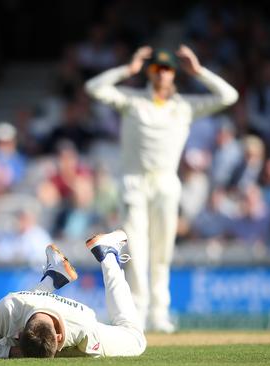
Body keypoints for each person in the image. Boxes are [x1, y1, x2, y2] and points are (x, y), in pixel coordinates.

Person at [85, 45, 238, 332]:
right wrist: (127, 70)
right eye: (156, 69)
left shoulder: (184, 106)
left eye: (167, 69)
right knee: (137, 250)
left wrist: (199, 71)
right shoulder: (132, 101)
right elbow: (93, 87)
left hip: (166, 183)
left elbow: (229, 96)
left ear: (173, 74)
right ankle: (138, 313)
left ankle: (159, 312)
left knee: (162, 251)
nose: (161, 74)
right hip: (134, 183)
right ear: (149, 72)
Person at [0, 230, 146, 358]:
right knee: (5, 345)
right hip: (33, 307)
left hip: (80, 330)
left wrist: (14, 352)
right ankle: (54, 277)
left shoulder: (83, 325)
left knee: (136, 339)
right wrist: (15, 352)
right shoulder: (10, 305)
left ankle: (108, 256)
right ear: (21, 331)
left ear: (59, 338)